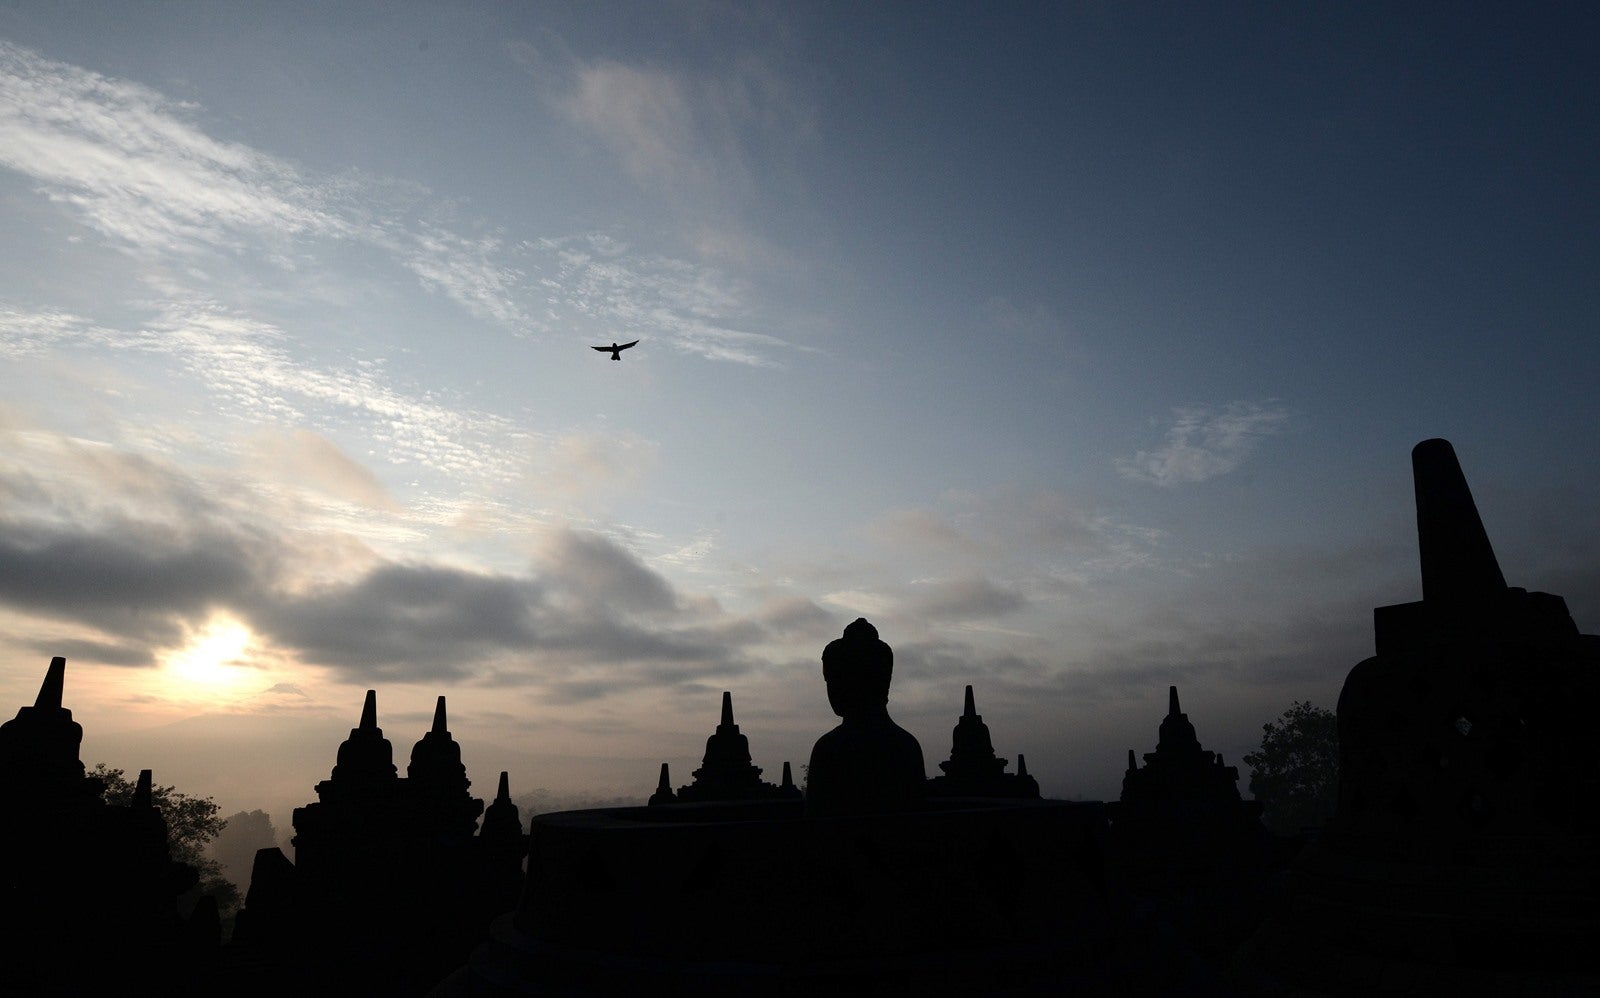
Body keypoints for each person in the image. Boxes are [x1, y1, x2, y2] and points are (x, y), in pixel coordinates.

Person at [805, 618, 927, 817]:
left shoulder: (829, 749)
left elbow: (817, 829)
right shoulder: (907, 746)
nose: (830, 689)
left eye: (834, 680)